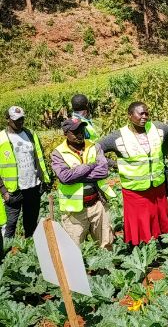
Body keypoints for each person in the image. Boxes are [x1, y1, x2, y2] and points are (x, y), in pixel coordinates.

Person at [98, 102, 168, 245]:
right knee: (139, 222)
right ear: (130, 116)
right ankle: (141, 248)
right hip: (135, 190)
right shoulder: (118, 136)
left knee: (160, 218)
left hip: (157, 186)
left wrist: (162, 153)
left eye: (147, 113)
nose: (145, 117)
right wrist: (113, 164)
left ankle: (163, 245)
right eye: (140, 113)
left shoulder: (157, 128)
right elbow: (97, 149)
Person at [51, 117, 115, 249]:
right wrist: (88, 166)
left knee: (106, 243)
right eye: (75, 132)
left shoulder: (94, 146)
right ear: (66, 134)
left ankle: (105, 270)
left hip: (97, 204)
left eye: (81, 130)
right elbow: (65, 177)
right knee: (73, 248)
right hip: (74, 210)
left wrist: (76, 174)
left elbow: (103, 171)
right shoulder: (58, 153)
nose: (80, 134)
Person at [0, 106, 51, 241]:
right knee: (10, 225)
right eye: (16, 120)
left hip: (33, 187)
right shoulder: (1, 139)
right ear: (8, 120)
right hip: (13, 191)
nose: (20, 122)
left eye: (22, 119)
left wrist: (44, 180)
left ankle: (29, 250)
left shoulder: (30, 134)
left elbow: (39, 158)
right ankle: (6, 256)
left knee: (31, 223)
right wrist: (3, 190)